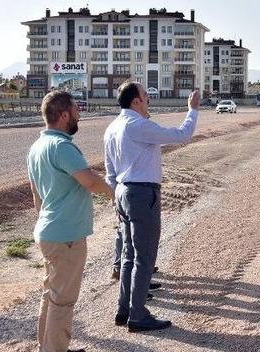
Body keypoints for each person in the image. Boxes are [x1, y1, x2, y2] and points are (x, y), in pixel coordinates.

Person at [104, 82, 199, 332]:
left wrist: (117, 196)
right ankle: (138, 316)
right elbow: (181, 135)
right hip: (142, 193)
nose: (148, 101)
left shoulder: (112, 127)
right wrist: (193, 110)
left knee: (128, 256)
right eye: (145, 97)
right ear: (135, 102)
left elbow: (110, 172)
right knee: (144, 258)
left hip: (123, 193)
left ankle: (124, 310)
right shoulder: (137, 125)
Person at [28, 91, 114, 352]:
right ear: (64, 115)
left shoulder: (36, 147)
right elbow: (88, 180)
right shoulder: (61, 146)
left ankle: (48, 346)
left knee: (52, 294)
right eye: (76, 110)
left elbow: (36, 196)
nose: (79, 114)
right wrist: (112, 191)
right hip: (65, 236)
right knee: (63, 301)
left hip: (49, 231)